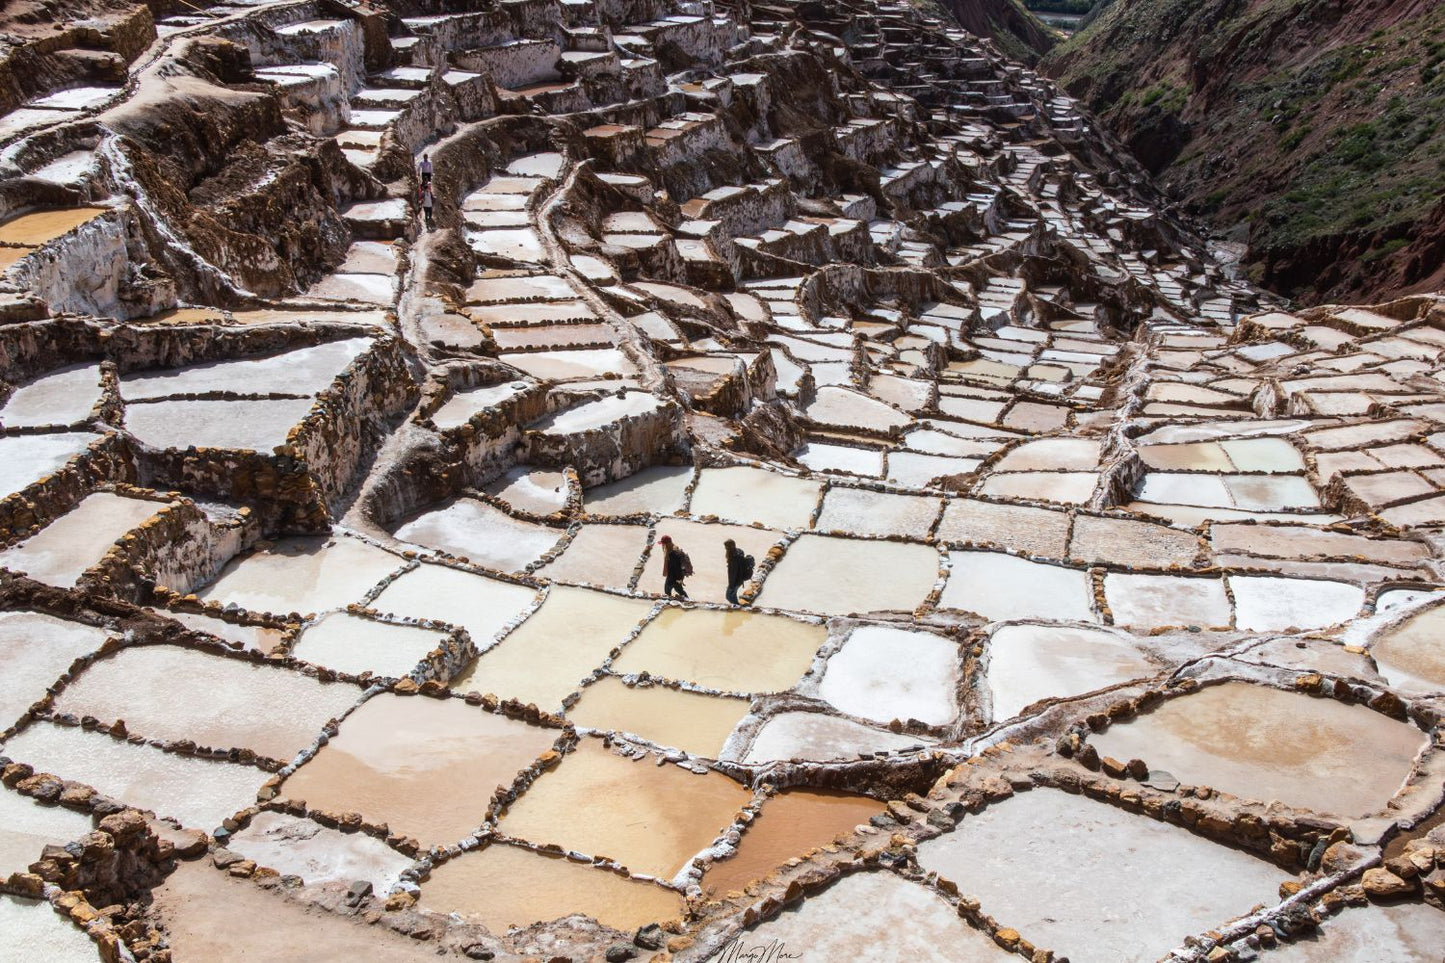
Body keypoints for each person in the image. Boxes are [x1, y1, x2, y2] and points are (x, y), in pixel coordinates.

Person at [658, 534, 691, 599]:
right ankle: (688, 600)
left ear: (666, 544)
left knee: (667, 591)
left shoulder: (670, 554)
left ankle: (686, 600)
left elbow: (669, 568)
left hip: (672, 577)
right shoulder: (676, 549)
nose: (662, 545)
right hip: (678, 576)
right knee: (679, 590)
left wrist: (665, 574)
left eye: (663, 544)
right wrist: (680, 578)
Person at [724, 538, 753, 605]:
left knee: (729, 596)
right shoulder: (738, 552)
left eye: (726, 547)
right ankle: (737, 606)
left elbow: (733, 573)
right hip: (739, 579)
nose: (725, 548)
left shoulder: (733, 558)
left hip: (736, 581)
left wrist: (731, 585)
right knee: (733, 596)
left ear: (729, 547)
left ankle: (738, 607)